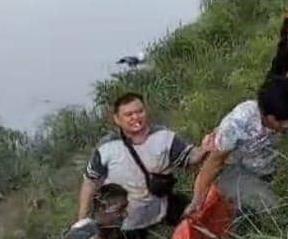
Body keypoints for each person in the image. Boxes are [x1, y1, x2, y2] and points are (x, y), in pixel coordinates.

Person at [77, 93, 209, 239]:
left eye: (139, 111)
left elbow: (189, 158)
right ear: (117, 119)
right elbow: (90, 182)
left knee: (201, 218)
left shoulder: (164, 137)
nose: (136, 117)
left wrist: (206, 147)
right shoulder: (107, 148)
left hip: (161, 206)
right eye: (129, 114)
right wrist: (82, 220)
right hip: (126, 220)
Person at [186, 76, 288, 219]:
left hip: (270, 162)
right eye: (281, 121)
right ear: (266, 114)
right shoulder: (237, 124)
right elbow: (214, 163)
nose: (287, 125)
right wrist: (197, 199)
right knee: (273, 207)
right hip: (238, 169)